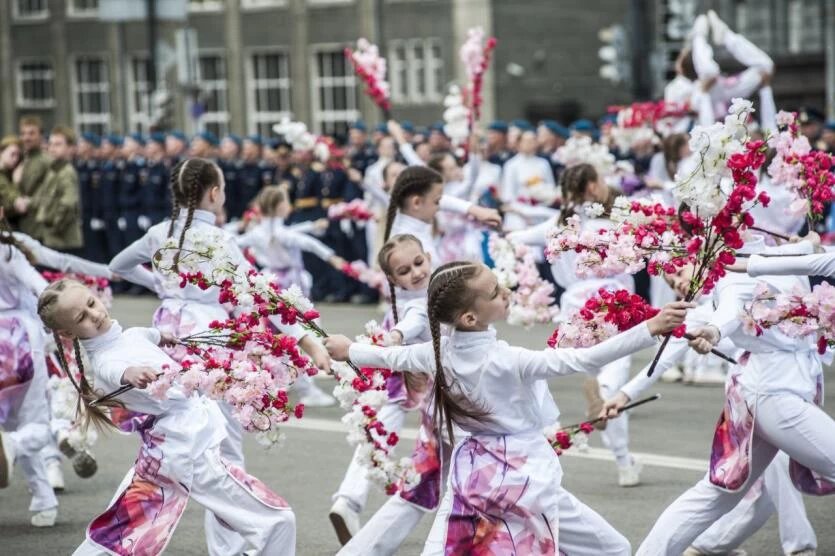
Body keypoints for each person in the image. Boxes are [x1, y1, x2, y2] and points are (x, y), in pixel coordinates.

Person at [325, 261, 691, 555]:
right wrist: (650, 328)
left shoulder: (435, 354)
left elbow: (387, 356)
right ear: (470, 317)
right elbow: (583, 358)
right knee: (614, 548)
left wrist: (346, 349)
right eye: (495, 292)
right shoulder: (509, 359)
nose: (505, 292)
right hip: (525, 475)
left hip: (474, 472)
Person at [36, 279, 297, 555]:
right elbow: (115, 370)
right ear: (67, 332)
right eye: (82, 318)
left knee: (121, 534)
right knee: (278, 522)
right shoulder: (105, 361)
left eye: (92, 303)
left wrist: (165, 336)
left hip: (162, 456)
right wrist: (131, 374)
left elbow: (150, 335)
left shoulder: (132, 335)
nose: (96, 314)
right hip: (186, 451)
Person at [637, 238, 835, 555]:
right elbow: (730, 306)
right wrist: (714, 331)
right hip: (773, 394)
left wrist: (809, 243)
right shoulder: (731, 277)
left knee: (722, 494)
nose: (679, 282)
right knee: (739, 490)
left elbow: (806, 259)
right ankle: (798, 546)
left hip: (778, 388)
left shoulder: (770, 255)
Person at [330, 234, 436, 550]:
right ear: (392, 278)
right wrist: (394, 336)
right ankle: (351, 504)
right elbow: (413, 322)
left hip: (416, 373)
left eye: (419, 263)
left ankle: (349, 500)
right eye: (404, 271)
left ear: (428, 256)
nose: (415, 272)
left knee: (384, 428)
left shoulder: (417, 292)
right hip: (413, 369)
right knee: (414, 452)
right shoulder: (417, 303)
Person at [0, 230, 59, 527]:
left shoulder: (10, 252)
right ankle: (43, 496)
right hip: (21, 339)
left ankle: (44, 496)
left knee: (17, 425)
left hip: (16, 338)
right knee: (32, 422)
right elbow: (43, 289)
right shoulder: (10, 253)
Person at [383, 166, 501, 269]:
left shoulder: (412, 218)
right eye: (437, 202)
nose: (440, 207)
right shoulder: (408, 244)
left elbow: (440, 199)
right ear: (417, 203)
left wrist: (473, 209)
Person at [28, 126, 83, 254]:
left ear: (70, 148)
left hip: (64, 240)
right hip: (53, 238)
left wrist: (55, 227)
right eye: (51, 144)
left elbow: (68, 204)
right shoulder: (54, 169)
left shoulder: (66, 172)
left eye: (58, 144)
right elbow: (45, 198)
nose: (52, 148)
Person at [500, 129, 557, 230]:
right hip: (517, 213)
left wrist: (543, 199)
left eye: (532, 140)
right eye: (526, 141)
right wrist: (520, 209)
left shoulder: (543, 163)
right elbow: (508, 194)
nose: (530, 144)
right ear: (519, 143)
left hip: (540, 211)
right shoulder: (511, 165)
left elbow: (550, 187)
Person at [16, 116, 51, 239]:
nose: (26, 138)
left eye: (31, 133)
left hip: (40, 229)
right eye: (23, 133)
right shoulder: (19, 159)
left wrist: (29, 202)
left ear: (40, 135)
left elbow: (51, 194)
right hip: (21, 226)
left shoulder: (47, 161)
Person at [0, 135, 28, 226]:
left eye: (18, 155)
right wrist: (16, 183)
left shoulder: (9, 173)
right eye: (12, 154)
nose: (15, 159)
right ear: (1, 152)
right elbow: (12, 204)